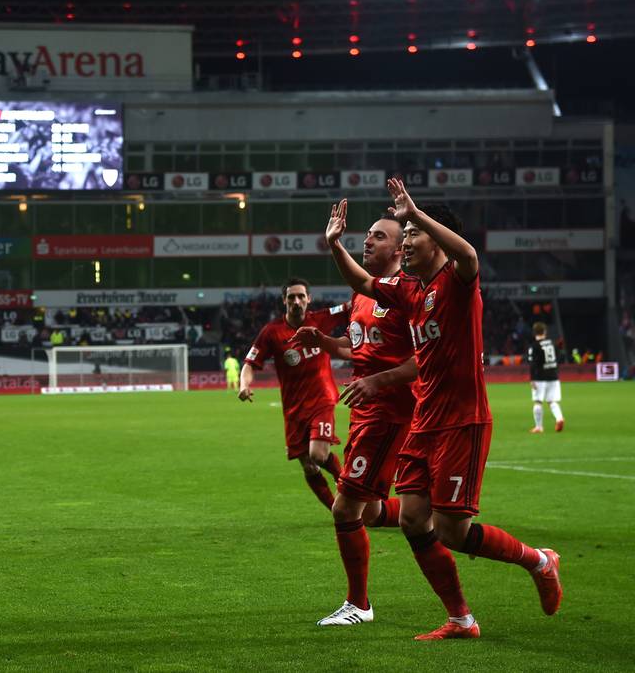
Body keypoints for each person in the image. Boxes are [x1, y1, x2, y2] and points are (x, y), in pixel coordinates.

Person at [325, 180, 561, 640]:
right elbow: (362, 281)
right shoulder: (411, 291)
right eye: (405, 233)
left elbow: (469, 255)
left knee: (453, 530)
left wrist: (415, 212)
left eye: (412, 234)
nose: (406, 242)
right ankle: (461, 619)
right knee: (413, 519)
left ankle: (539, 560)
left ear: (437, 238)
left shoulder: (457, 280)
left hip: (463, 419)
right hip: (425, 420)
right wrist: (334, 244)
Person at [293, 207, 422, 627]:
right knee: (366, 512)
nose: (367, 240)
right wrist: (323, 341)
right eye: (366, 235)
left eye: (378, 236)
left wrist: (380, 382)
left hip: (389, 411)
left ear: (400, 248)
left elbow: (426, 357)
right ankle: (429, 512)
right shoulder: (362, 295)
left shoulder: (406, 291)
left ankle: (359, 605)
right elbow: (356, 349)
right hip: (365, 409)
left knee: (345, 509)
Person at [238, 278, 344, 510]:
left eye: (301, 296)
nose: (297, 301)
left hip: (322, 399)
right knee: (308, 465)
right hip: (294, 409)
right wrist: (243, 385)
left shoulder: (321, 319)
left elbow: (353, 305)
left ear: (309, 299)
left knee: (317, 454)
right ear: (284, 301)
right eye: (291, 297)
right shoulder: (271, 332)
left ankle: (346, 485)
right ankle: (336, 509)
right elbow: (249, 363)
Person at [528, 321, 564, 433]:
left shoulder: (534, 346)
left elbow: (532, 364)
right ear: (545, 332)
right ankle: (559, 418)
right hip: (553, 376)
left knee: (538, 401)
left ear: (534, 333)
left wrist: (532, 379)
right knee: (552, 401)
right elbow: (558, 357)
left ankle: (539, 427)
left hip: (540, 377)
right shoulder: (553, 343)